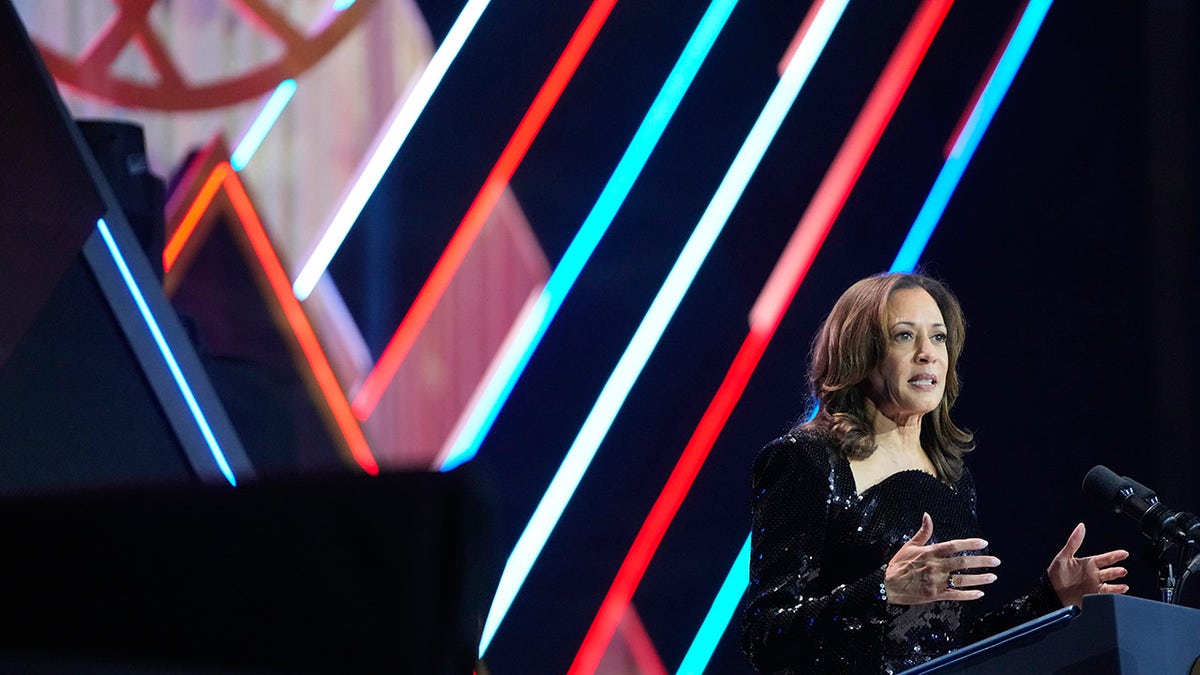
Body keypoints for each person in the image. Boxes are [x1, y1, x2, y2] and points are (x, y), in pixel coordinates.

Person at [740, 272, 1130, 674]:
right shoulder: (808, 459)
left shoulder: (953, 478)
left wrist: (1049, 598)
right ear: (861, 353)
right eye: (904, 336)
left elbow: (952, 647)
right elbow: (764, 633)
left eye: (939, 337)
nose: (928, 353)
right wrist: (881, 590)